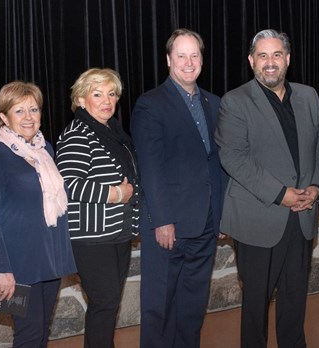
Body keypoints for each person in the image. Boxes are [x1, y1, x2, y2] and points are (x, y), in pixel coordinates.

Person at [215, 29, 319, 347]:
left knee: (295, 301)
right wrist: (281, 194)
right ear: (252, 61)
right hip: (258, 219)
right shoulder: (235, 101)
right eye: (263, 56)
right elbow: (234, 158)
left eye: (277, 55)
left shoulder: (308, 96)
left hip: (302, 218)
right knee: (255, 306)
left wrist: (317, 187)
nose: (270, 62)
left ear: (288, 60)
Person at [131, 29, 225, 347]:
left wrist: (222, 215)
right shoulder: (150, 104)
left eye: (194, 55)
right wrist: (162, 219)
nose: (188, 62)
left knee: (192, 309)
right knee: (160, 310)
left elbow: (218, 164)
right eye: (181, 56)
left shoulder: (215, 103)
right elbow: (151, 168)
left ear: (202, 60)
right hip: (168, 226)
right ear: (169, 60)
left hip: (205, 223)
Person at [0, 81, 77, 347]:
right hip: (16, 269)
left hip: (48, 264)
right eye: (19, 111)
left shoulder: (46, 151)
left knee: (42, 331)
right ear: (3, 117)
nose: (29, 117)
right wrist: (2, 270)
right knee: (27, 335)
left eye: (33, 109)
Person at [55, 68, 141, 347]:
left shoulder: (113, 132)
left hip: (117, 232)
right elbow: (68, 185)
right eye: (97, 94)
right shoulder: (78, 134)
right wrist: (116, 193)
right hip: (92, 238)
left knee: (108, 304)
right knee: (105, 302)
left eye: (112, 94)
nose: (107, 100)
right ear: (81, 100)